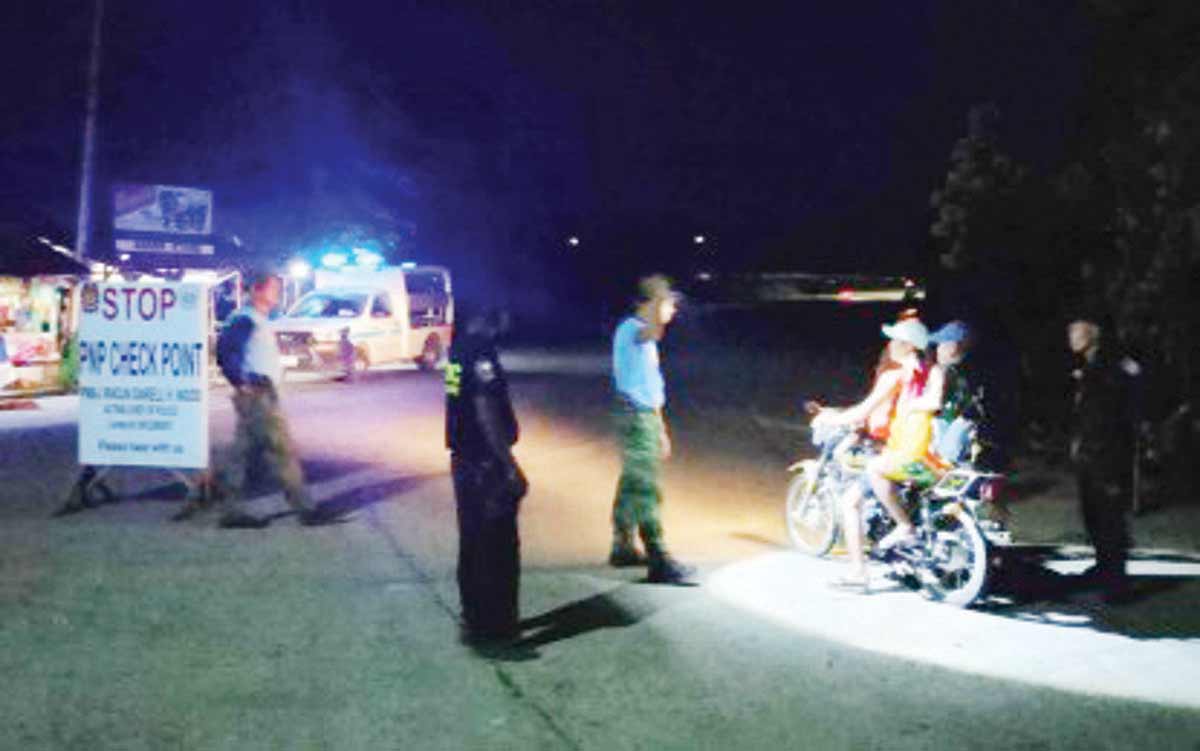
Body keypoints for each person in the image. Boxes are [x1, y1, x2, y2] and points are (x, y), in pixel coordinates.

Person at [814, 317, 945, 589]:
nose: (889, 344)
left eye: (895, 339)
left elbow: (864, 411)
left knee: (855, 495)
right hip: (927, 455)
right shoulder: (933, 371)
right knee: (864, 490)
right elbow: (934, 402)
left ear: (907, 345)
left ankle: (862, 569)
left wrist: (830, 418)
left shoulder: (896, 376)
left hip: (906, 452)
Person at [198, 270, 329, 528]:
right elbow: (225, 352)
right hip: (258, 395)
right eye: (273, 288)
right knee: (282, 451)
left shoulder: (254, 318)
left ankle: (227, 508)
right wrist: (241, 382)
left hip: (258, 393)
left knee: (242, 453)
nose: (277, 293)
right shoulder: (246, 319)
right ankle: (305, 508)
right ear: (257, 290)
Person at [446, 305, 527, 643]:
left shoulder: (458, 349)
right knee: (498, 548)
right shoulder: (481, 351)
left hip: (464, 458)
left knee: (473, 543)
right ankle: (496, 627)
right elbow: (484, 408)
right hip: (484, 462)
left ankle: (473, 619)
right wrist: (508, 464)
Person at [609, 274, 693, 584]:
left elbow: (651, 385)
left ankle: (623, 543)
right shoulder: (630, 330)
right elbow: (650, 333)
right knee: (645, 484)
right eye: (668, 303)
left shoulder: (642, 335)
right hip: (634, 415)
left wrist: (660, 427)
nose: (673, 309)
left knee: (633, 477)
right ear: (652, 303)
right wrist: (659, 306)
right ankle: (658, 556)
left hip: (644, 414)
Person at [1067, 308, 1137, 598]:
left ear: (1093, 332)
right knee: (1094, 515)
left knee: (1109, 517)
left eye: (1076, 330)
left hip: (1108, 456)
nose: (1071, 337)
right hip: (1090, 454)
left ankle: (1116, 581)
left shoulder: (1111, 367)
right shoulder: (1090, 367)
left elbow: (1117, 415)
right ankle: (1104, 568)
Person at [928, 320, 979, 463]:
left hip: (959, 428)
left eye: (941, 344)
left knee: (947, 457)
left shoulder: (949, 372)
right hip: (950, 422)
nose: (937, 349)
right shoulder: (960, 370)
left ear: (953, 347)